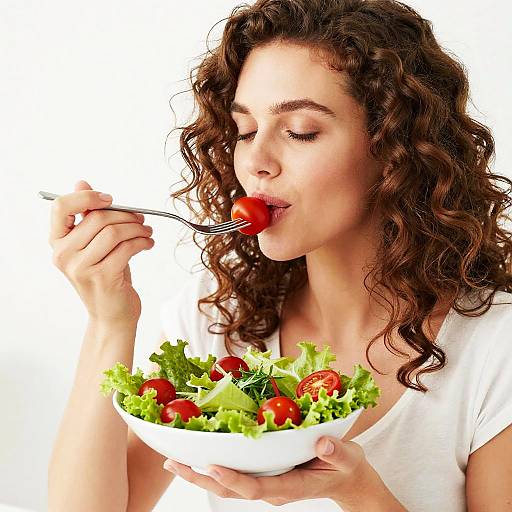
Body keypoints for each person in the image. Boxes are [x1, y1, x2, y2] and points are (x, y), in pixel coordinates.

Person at [47, 0, 512, 510]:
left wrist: (356, 490)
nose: (256, 162)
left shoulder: (494, 349)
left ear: (396, 150)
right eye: (245, 131)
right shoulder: (217, 318)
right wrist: (109, 322)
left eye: (300, 132)